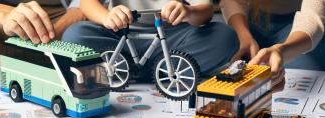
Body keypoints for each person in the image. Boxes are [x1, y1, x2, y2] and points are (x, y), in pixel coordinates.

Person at [62, 0, 239, 80]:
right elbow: (87, 3)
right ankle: (162, 70)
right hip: (120, 34)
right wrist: (107, 16)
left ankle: (133, 69)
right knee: (74, 35)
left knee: (225, 36)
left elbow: (206, 11)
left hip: (172, 37)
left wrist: (188, 11)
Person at [220, 0, 325, 86]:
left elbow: (311, 18)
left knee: (303, 73)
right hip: (250, 19)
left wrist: (282, 50)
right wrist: (243, 35)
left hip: (296, 26)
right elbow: (232, 1)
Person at [0, 0, 86, 72]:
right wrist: (6, 15)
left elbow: (87, 5)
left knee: (79, 36)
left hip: (63, 12)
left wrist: (51, 33)